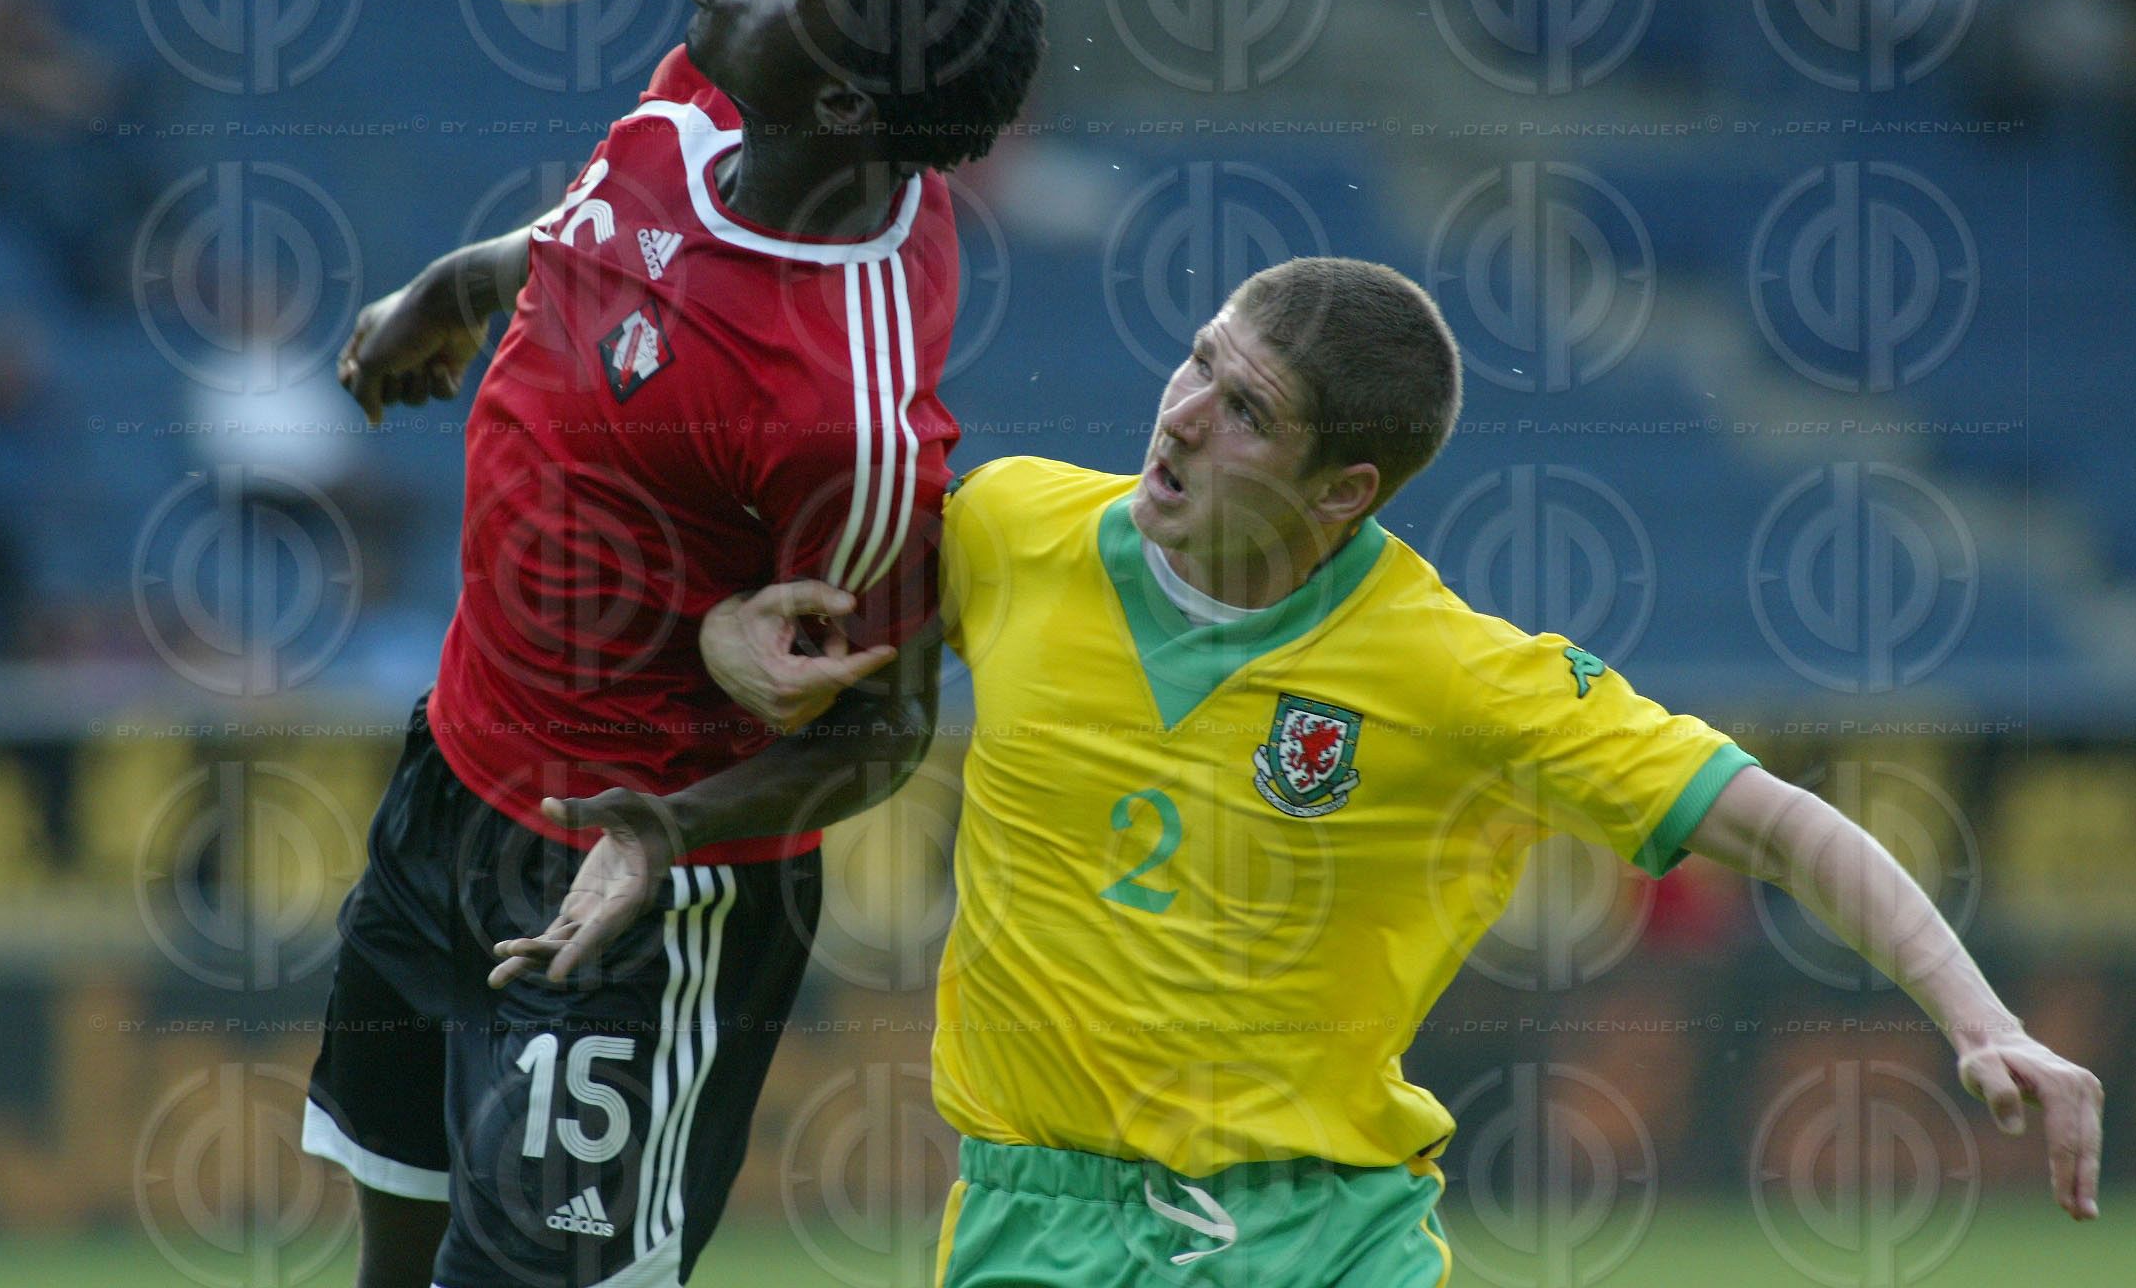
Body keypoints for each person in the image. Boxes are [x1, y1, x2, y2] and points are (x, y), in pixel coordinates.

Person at [495, 257, 2103, 1285]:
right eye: (1199, 359)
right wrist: (709, 673)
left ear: (1344, 490)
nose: (1182, 413)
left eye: (1242, 407)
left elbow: (1792, 826)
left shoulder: (1456, 672)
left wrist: (1985, 1021)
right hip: (1037, 1229)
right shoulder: (1008, 528)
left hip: (1323, 1235)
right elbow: (818, 675)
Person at [303, 0, 1044, 1288]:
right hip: (454, 771)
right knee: (391, 1240)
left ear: (833, 92)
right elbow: (608, 236)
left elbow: (873, 733)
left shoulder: (844, 415)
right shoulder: (719, 92)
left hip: (628, 887)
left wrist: (663, 834)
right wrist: (462, 285)